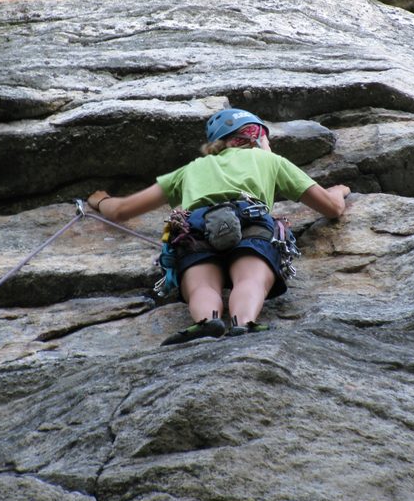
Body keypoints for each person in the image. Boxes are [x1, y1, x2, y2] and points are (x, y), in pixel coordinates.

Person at [87, 108, 350, 345]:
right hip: (252, 219)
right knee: (250, 279)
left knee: (203, 286)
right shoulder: (270, 161)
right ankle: (244, 323)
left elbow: (122, 210)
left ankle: (206, 322)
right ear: (256, 137)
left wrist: (100, 201)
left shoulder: (191, 169)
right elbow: (331, 208)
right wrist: (339, 190)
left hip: (196, 227)